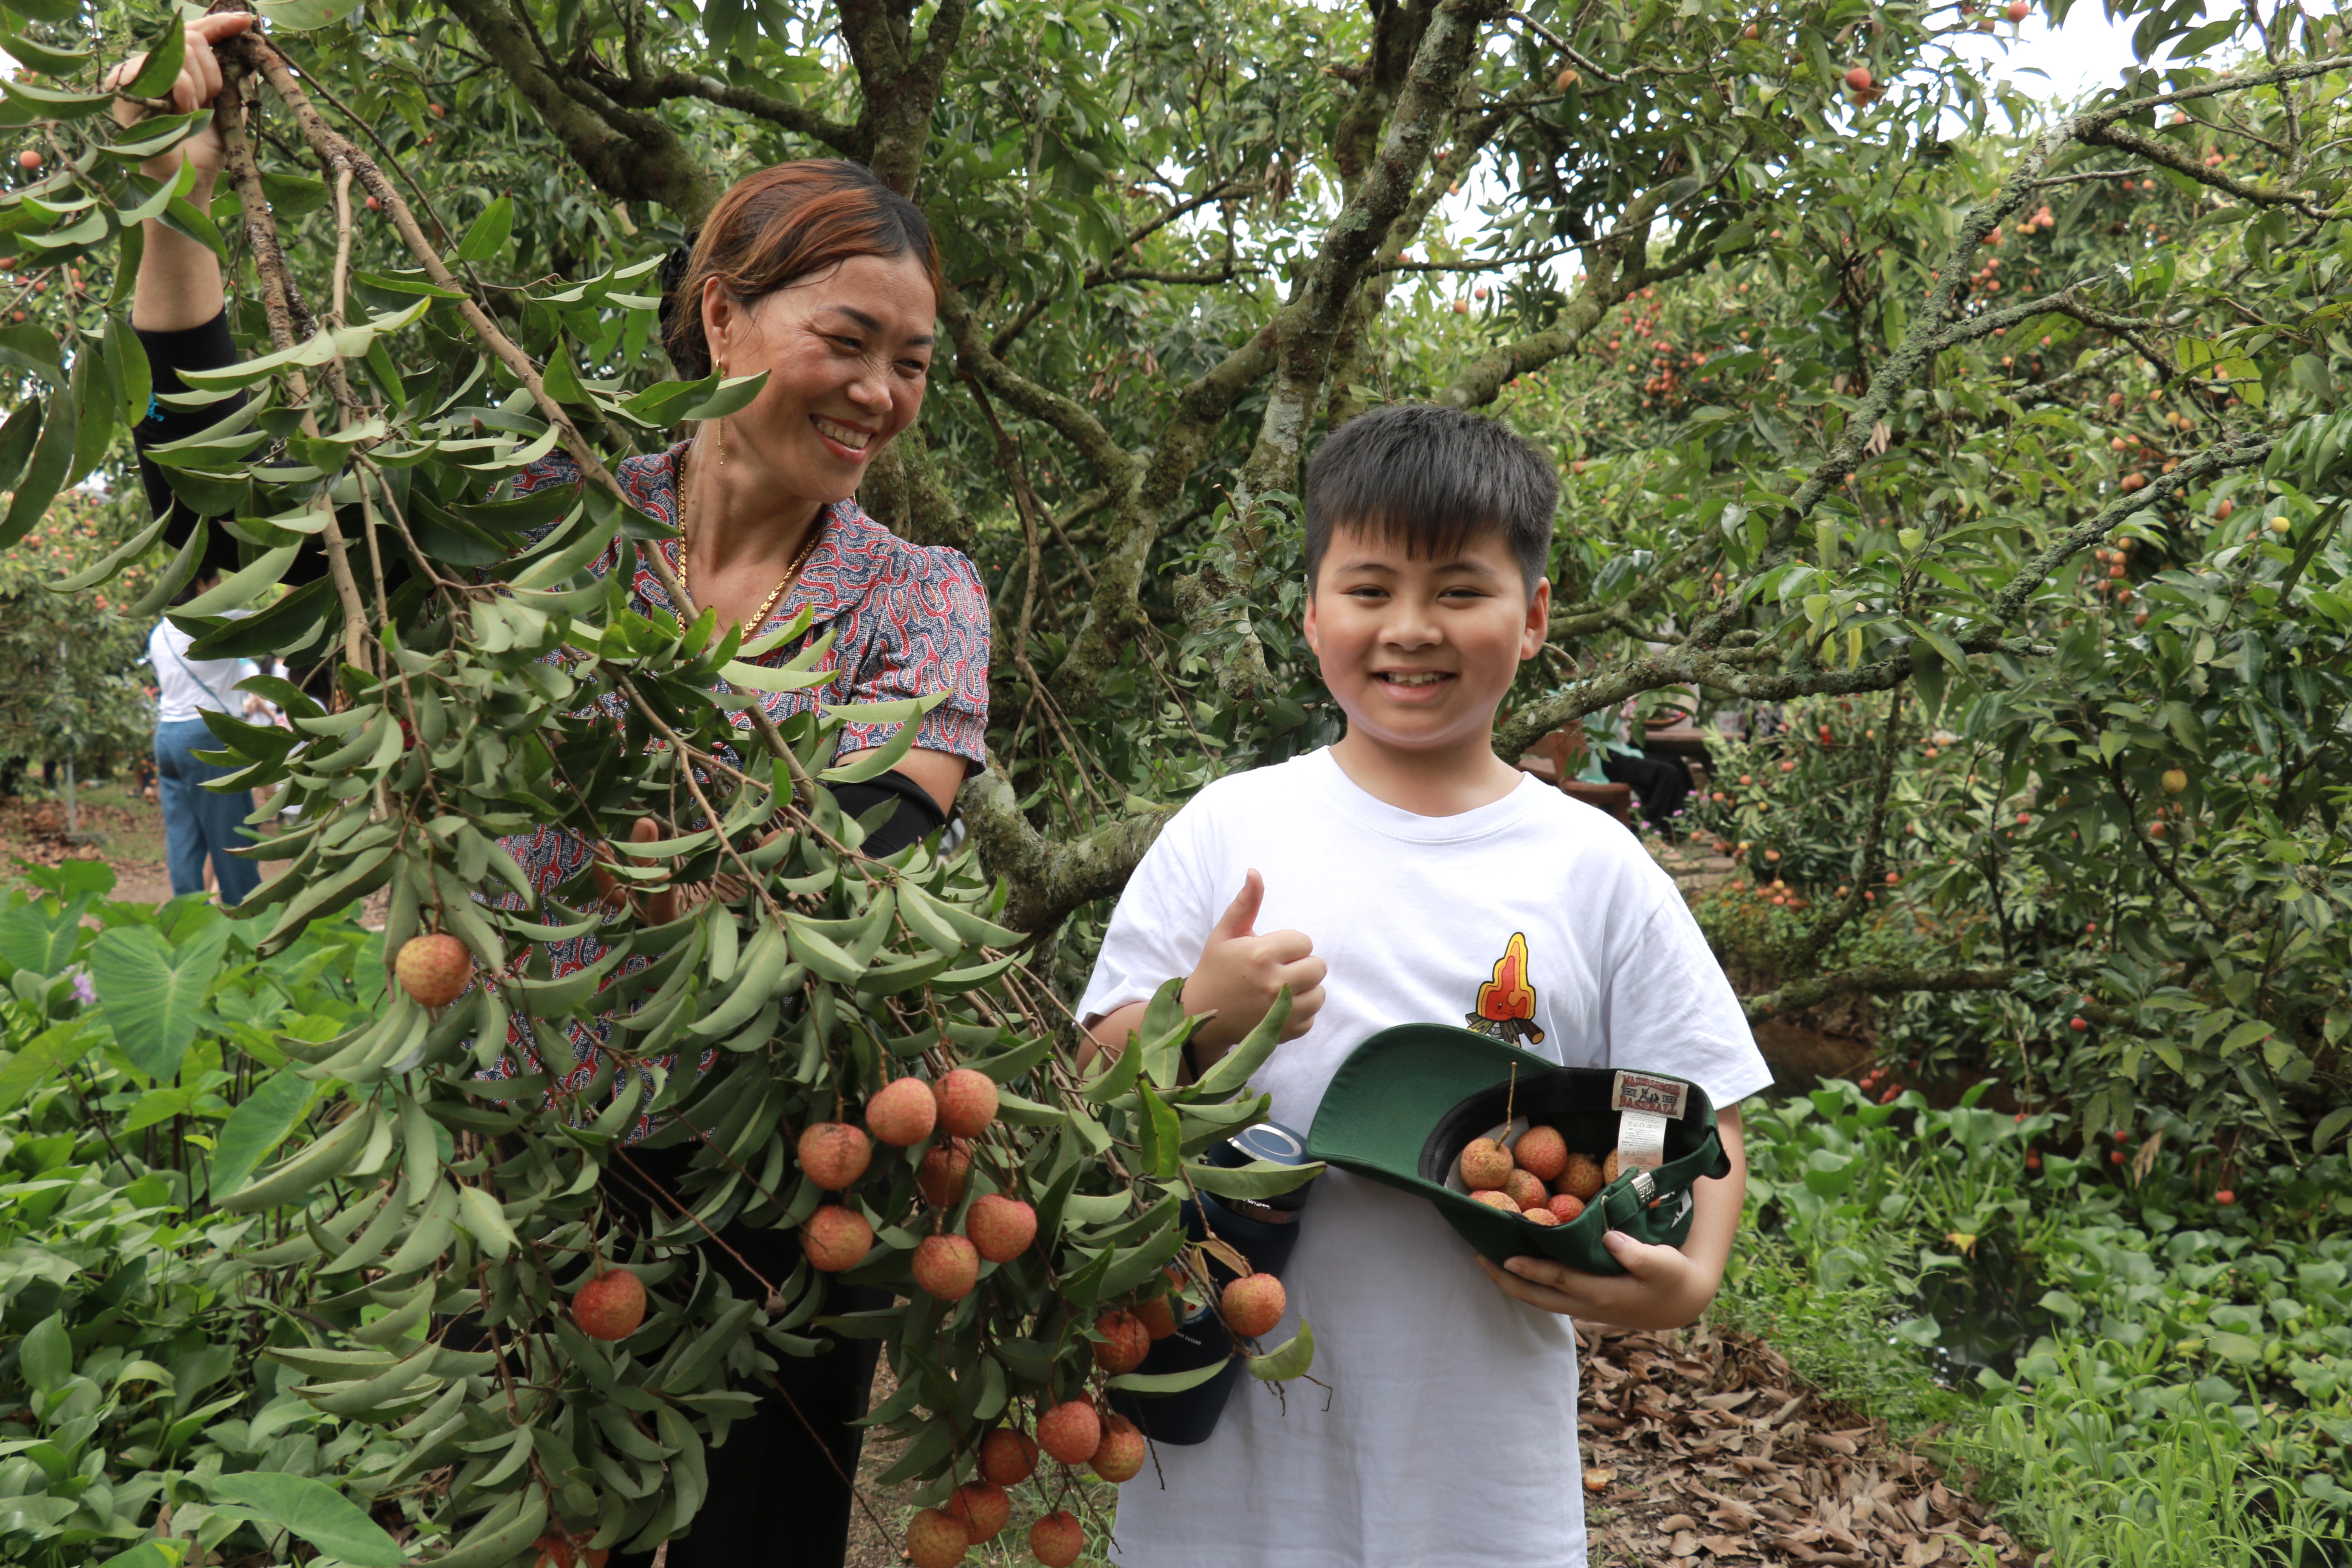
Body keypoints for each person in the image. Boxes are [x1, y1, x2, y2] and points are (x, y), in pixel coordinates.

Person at [111, 18, 990, 1567]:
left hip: (780, 1195)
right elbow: (232, 535)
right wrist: (176, 190)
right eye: (847, 338)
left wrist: (674, 845)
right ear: (723, 317)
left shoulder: (918, 595)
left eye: (912, 363)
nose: (881, 391)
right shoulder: (533, 510)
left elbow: (876, 839)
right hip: (518, 1175)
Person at [1077, 403, 1771, 1568]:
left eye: (1458, 590)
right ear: (1309, 613)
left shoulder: (1589, 867)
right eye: (1367, 588)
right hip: (1224, 1458)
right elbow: (1094, 1087)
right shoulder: (1229, 829)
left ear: (1534, 614)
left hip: (1474, 1474)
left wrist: (1671, 1257)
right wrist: (1191, 1020)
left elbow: (1674, 1093)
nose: (1410, 628)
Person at [148, 569, 262, 905]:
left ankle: (188, 920)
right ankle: (246, 914)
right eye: (218, 580)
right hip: (207, 735)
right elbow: (284, 621)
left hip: (167, 736)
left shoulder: (160, 632)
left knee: (183, 838)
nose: (223, 587)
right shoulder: (219, 620)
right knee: (231, 834)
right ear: (201, 583)